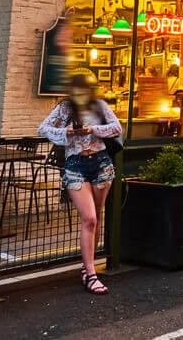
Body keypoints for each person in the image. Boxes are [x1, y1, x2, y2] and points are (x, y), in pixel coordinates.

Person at [38, 73, 122, 295]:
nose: (80, 95)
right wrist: (64, 132)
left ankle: (88, 268)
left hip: (101, 163)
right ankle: (92, 275)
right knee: (90, 218)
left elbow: (117, 128)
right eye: (76, 92)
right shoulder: (65, 108)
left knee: (96, 218)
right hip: (75, 165)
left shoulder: (99, 106)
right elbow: (43, 129)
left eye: (83, 91)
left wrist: (93, 129)